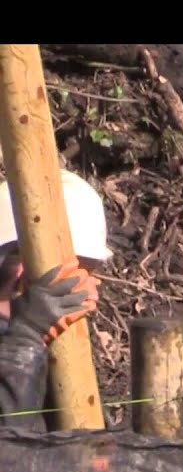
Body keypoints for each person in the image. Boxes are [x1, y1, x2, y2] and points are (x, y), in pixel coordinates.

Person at [0, 169, 107, 429]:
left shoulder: (51, 355)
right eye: (81, 274)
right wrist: (25, 338)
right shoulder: (22, 345)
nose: (91, 293)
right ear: (21, 274)